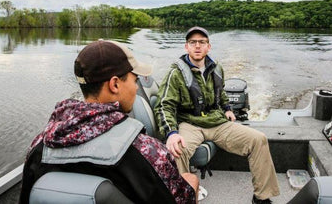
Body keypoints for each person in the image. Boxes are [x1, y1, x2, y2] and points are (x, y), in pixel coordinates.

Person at [19, 39, 198, 204]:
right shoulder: (147, 151)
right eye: (134, 80)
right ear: (115, 84)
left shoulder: (39, 146)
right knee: (191, 180)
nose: (136, 87)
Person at [154, 27, 280, 204]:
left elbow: (221, 94)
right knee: (176, 150)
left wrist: (227, 108)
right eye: (193, 42)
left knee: (258, 139)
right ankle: (182, 197)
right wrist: (171, 133)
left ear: (208, 47)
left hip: (217, 121)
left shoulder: (217, 69)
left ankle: (261, 197)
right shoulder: (175, 73)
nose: (197, 46)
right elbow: (163, 105)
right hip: (190, 123)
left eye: (202, 42)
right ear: (186, 47)